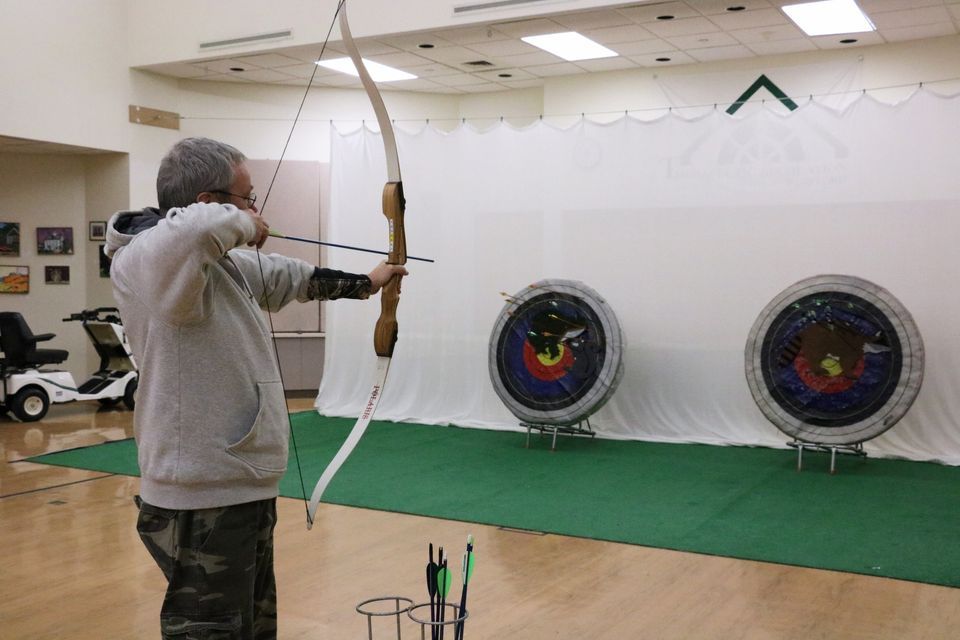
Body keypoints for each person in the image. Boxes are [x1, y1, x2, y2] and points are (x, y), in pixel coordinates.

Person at [105, 137, 407, 639]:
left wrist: (369, 282)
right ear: (208, 202)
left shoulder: (218, 264)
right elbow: (199, 228)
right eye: (247, 198)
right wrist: (247, 223)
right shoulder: (145, 260)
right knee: (212, 631)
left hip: (238, 483)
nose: (254, 209)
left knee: (252, 628)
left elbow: (292, 278)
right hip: (201, 494)